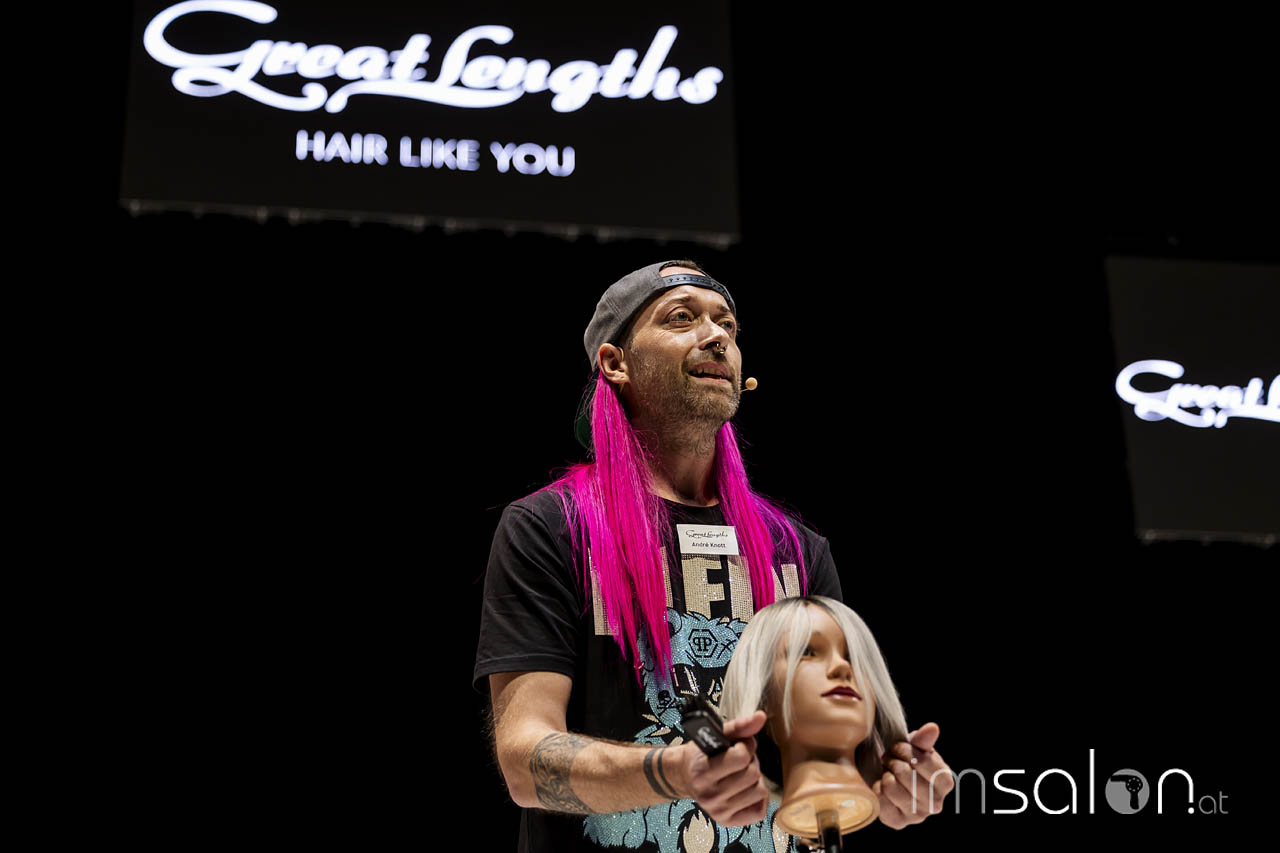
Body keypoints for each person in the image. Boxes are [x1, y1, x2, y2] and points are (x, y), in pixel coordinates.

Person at [473, 261, 953, 852]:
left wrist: (890, 778)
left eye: (727, 324)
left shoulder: (796, 549)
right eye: (682, 318)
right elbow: (524, 763)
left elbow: (837, 750)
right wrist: (675, 771)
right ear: (615, 363)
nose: (716, 336)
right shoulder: (550, 527)